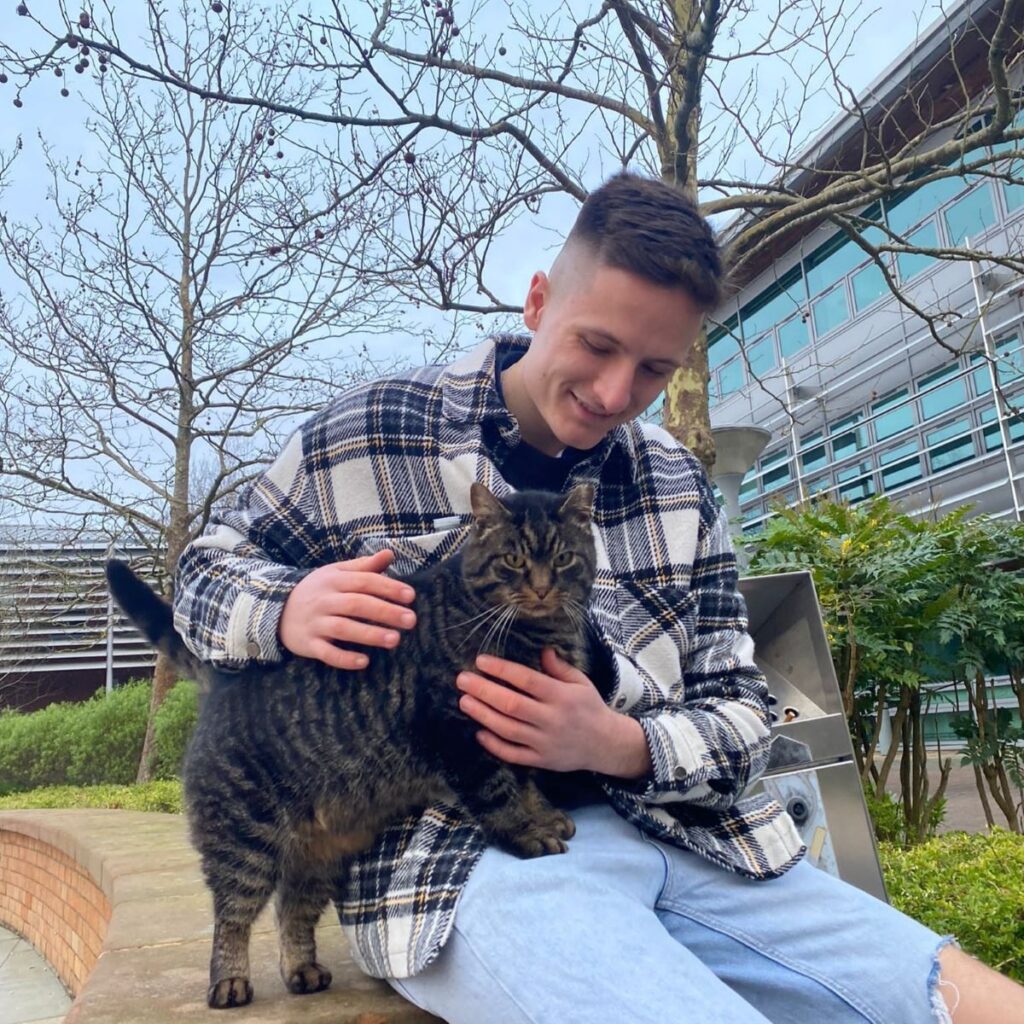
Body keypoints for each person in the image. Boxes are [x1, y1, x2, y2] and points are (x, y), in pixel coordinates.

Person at [173, 173, 1023, 1023]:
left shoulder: (680, 485)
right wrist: (283, 608)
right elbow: (201, 578)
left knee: (966, 1000)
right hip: (467, 860)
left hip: (700, 842)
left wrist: (620, 743)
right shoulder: (366, 432)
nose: (617, 394)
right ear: (538, 301)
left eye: (656, 368)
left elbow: (746, 714)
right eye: (598, 345)